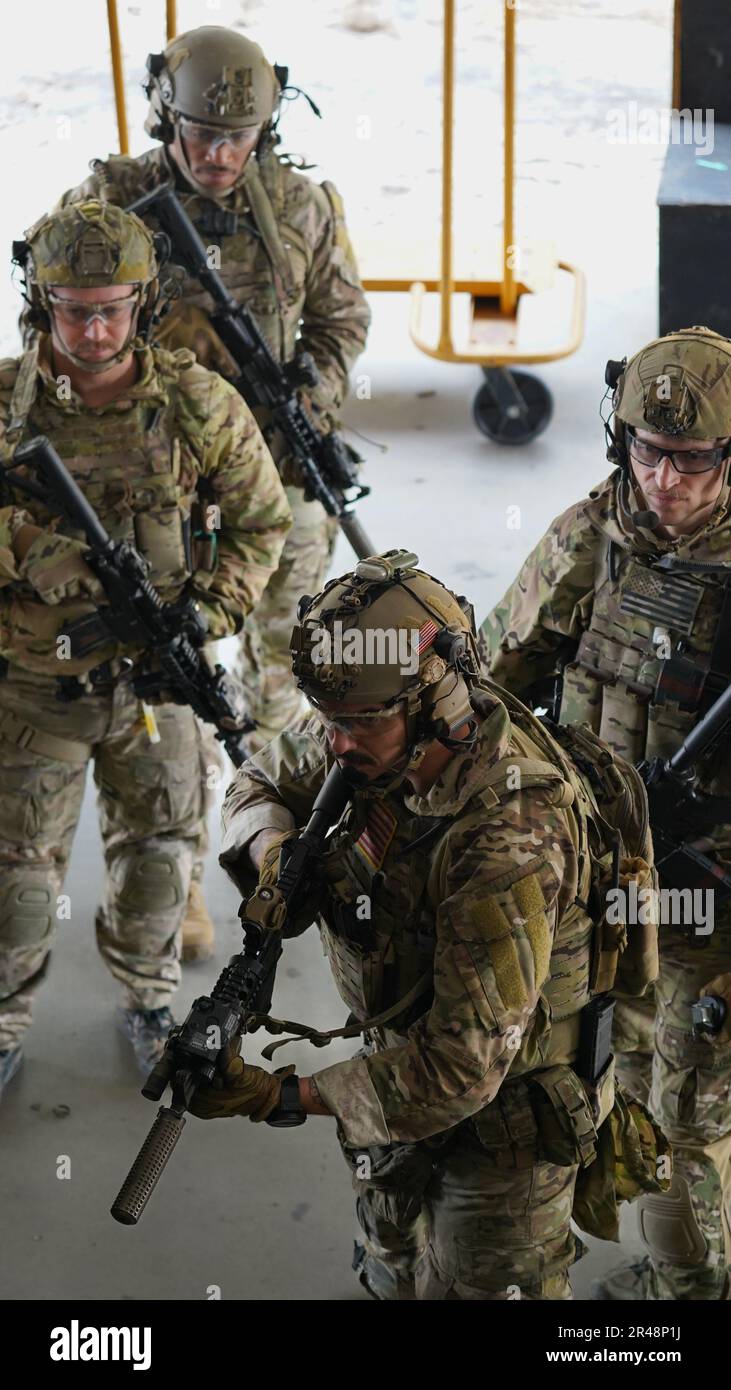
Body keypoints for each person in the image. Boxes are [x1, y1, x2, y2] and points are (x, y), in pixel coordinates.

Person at [187, 550, 660, 1301]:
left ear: (439, 701)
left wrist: (277, 1096)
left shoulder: (509, 835)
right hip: (391, 1068)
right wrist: (275, 850)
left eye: (358, 724)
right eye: (328, 721)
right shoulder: (375, 722)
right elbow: (257, 781)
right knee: (389, 1262)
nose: (336, 744)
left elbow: (459, 1068)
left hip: (505, 1126)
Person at [57, 25, 371, 961]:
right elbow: (64, 317)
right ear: (167, 116)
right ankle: (180, 882)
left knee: (284, 684)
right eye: (198, 134)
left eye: (237, 137)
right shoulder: (111, 204)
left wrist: (307, 395)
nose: (218, 155)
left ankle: (269, 856)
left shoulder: (301, 205)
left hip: (274, 473)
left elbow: (341, 318)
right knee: (180, 684)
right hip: (156, 487)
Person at [0, 199, 291, 1092]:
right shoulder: (5, 406)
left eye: (112, 307)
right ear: (40, 302)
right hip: (33, 688)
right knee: (14, 881)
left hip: (156, 692)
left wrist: (206, 616)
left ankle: (147, 1000)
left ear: (145, 302)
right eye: (73, 307)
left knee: (160, 861)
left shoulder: (198, 404)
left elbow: (260, 527)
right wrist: (31, 549)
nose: (93, 328)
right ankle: (7, 1022)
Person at [479, 326, 731, 1300]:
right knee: (576, 1079)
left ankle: (691, 1291)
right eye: (645, 452)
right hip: (592, 881)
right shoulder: (591, 537)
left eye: (692, 459)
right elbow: (492, 688)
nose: (664, 480)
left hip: (706, 903)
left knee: (681, 1114)